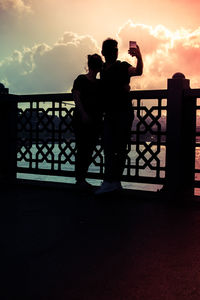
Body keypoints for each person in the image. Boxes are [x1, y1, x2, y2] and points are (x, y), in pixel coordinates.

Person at [95, 38, 143, 194]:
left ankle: (113, 182)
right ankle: (111, 181)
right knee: (109, 148)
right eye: (112, 49)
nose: (115, 51)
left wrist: (139, 56)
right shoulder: (102, 69)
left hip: (123, 113)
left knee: (119, 150)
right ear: (104, 53)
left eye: (116, 49)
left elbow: (138, 71)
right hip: (110, 114)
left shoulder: (122, 66)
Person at [72, 54, 103, 188]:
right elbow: (76, 96)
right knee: (83, 149)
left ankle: (81, 179)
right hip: (83, 119)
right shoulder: (81, 79)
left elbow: (76, 96)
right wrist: (84, 113)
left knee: (88, 149)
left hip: (93, 120)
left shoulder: (97, 83)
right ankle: (80, 179)